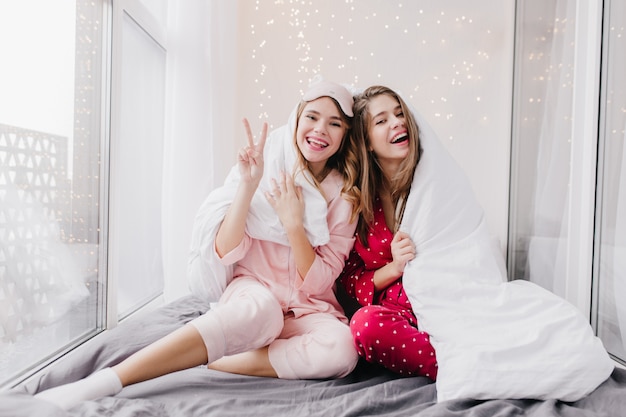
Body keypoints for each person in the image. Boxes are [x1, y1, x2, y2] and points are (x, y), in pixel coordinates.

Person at [34, 80, 362, 410]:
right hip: (255, 295)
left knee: (344, 349)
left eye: (334, 123)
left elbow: (321, 279)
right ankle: (110, 379)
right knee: (262, 312)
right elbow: (224, 250)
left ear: (345, 134)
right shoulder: (267, 169)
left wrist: (294, 225)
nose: (321, 130)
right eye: (313, 117)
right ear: (297, 119)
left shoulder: (345, 197)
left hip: (308, 309)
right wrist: (248, 187)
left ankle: (222, 359)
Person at [337, 85, 438, 380]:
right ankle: (452, 365)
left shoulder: (432, 181)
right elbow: (350, 279)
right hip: (398, 316)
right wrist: (395, 268)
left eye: (399, 114)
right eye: (381, 120)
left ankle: (464, 356)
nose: (397, 122)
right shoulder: (359, 203)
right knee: (364, 325)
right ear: (367, 141)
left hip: (443, 298)